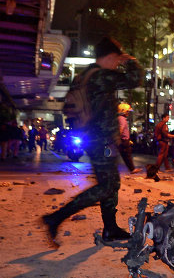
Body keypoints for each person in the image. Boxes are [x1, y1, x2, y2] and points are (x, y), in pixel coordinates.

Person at [43, 37, 142, 244]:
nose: (117, 64)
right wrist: (129, 60)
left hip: (93, 137)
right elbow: (134, 79)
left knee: (111, 183)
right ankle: (55, 218)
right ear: (111, 56)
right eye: (116, 59)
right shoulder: (101, 76)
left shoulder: (84, 75)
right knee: (107, 186)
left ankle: (110, 229)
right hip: (102, 140)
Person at [117, 103, 140, 173]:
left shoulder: (121, 118)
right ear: (123, 110)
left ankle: (132, 169)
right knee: (127, 155)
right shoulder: (122, 119)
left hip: (124, 140)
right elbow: (121, 129)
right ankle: (132, 169)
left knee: (126, 155)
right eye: (127, 111)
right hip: (124, 140)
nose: (128, 113)